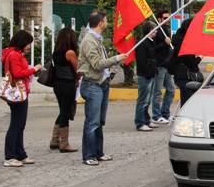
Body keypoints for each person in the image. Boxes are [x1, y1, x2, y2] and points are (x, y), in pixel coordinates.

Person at [78, 12, 127, 166]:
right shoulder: (89, 41)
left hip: (102, 83)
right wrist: (116, 58)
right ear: (100, 23)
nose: (107, 23)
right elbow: (97, 64)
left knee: (99, 121)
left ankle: (98, 152)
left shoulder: (97, 39)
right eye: (105, 21)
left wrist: (114, 62)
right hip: (93, 84)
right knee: (92, 122)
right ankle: (89, 155)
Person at [1, 30, 42, 167]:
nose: (29, 46)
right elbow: (17, 73)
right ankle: (10, 156)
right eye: (28, 43)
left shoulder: (16, 54)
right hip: (18, 93)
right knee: (16, 125)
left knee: (20, 124)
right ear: (22, 42)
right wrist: (34, 69)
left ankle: (20, 154)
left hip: (21, 92)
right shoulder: (14, 55)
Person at [49, 28, 80, 153]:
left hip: (57, 84)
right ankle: (64, 143)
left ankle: (54, 140)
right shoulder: (70, 53)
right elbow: (78, 69)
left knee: (62, 111)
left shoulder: (56, 52)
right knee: (65, 112)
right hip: (67, 84)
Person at [168, 18, 201, 106]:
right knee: (187, 102)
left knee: (186, 99)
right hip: (184, 75)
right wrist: (199, 58)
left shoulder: (180, 39)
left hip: (180, 74)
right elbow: (189, 61)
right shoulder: (183, 42)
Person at [151, 10, 175, 124]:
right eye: (165, 18)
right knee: (157, 91)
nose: (168, 20)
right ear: (159, 19)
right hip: (159, 66)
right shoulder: (156, 31)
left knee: (171, 90)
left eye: (169, 18)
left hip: (167, 65)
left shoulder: (167, 30)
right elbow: (153, 49)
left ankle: (165, 113)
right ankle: (156, 115)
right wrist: (164, 43)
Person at [135, 21, 158, 131]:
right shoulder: (142, 43)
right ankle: (140, 122)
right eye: (155, 28)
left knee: (148, 100)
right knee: (143, 100)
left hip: (151, 75)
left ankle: (146, 120)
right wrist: (149, 72)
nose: (156, 30)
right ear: (149, 30)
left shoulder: (151, 42)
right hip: (145, 76)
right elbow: (142, 62)